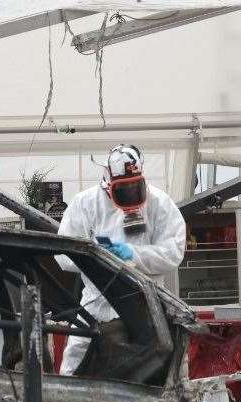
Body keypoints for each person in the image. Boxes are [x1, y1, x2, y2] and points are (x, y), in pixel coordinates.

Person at [56, 144, 186, 375]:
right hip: (96, 303)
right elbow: (63, 256)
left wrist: (133, 254)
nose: (130, 194)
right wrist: (96, 257)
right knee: (75, 365)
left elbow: (173, 252)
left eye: (134, 186)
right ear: (108, 181)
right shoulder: (85, 204)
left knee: (158, 370)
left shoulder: (159, 203)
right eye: (122, 188)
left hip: (147, 302)